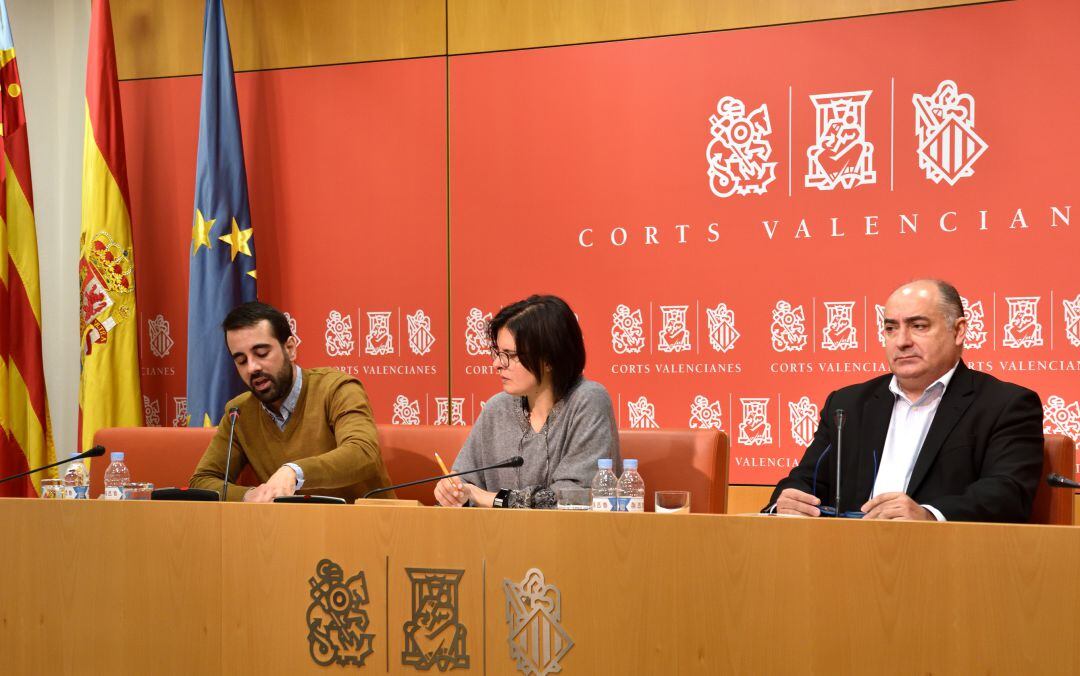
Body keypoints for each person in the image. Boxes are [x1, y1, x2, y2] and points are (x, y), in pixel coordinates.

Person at [767, 279, 1043, 522]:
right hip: (846, 557)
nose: (901, 341)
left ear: (958, 331)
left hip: (948, 563)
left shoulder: (1005, 404)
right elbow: (806, 479)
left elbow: (1007, 493)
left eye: (918, 326)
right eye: (890, 328)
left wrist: (928, 514)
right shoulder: (848, 404)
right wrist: (786, 503)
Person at [190, 302, 395, 502]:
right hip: (290, 530)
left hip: (369, 527)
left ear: (290, 348)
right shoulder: (239, 412)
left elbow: (363, 452)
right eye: (241, 360)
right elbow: (202, 480)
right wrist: (249, 495)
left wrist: (294, 472)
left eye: (262, 353)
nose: (252, 367)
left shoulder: (336, 389)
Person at [435, 295, 619, 508]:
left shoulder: (588, 400)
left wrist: (491, 498)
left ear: (548, 359)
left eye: (508, 355)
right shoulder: (497, 408)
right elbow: (466, 483)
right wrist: (453, 492)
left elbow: (576, 496)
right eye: (497, 353)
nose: (497, 364)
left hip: (569, 539)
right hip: (496, 537)